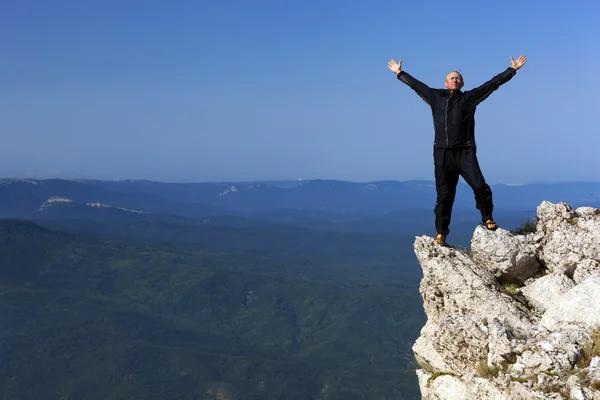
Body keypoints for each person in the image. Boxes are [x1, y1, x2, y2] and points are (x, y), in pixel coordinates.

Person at [387, 54, 527, 246]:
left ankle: (487, 217)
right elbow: (416, 85)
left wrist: (512, 70)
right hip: (442, 153)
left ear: (462, 83)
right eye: (451, 77)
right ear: (445, 83)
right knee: (444, 195)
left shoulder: (469, 98)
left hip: (465, 152)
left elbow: (492, 84)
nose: (455, 79)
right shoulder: (435, 97)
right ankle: (441, 233)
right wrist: (399, 73)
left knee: (479, 186)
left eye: (458, 78)